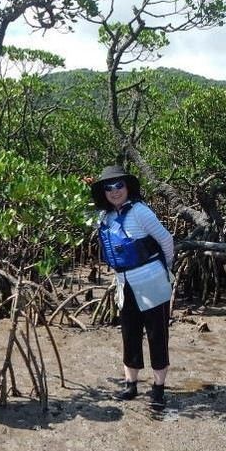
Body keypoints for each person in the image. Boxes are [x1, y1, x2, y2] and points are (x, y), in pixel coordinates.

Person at [91, 165, 174, 410]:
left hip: (151, 282)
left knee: (157, 334)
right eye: (109, 187)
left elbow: (166, 240)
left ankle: (158, 389)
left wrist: (165, 269)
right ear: (103, 192)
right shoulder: (103, 217)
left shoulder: (141, 212)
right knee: (129, 333)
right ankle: (131, 384)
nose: (115, 191)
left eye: (119, 185)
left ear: (128, 187)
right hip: (124, 284)